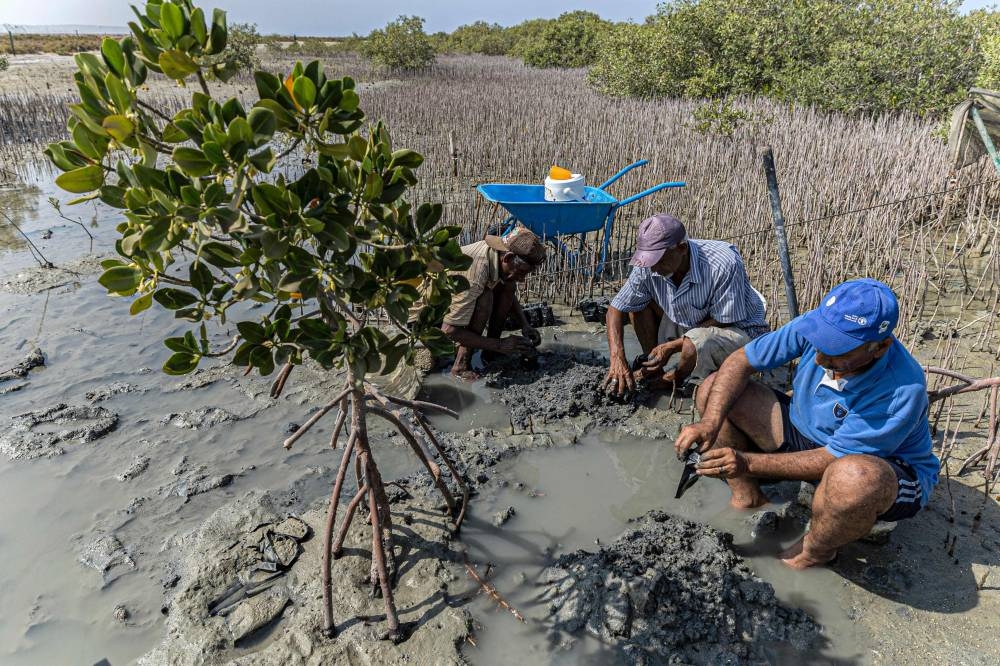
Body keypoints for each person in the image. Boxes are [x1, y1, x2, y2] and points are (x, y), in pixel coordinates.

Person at [674, 278, 939, 570]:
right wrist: (710, 423)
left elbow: (832, 458)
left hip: (877, 465)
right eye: (820, 343)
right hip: (806, 430)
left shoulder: (901, 389)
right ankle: (747, 496)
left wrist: (744, 462)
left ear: (880, 347)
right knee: (713, 390)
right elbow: (740, 361)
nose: (820, 358)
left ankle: (815, 552)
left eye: (838, 351)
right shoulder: (818, 324)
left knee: (854, 479)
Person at [603, 214, 768, 395]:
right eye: (648, 260)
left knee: (695, 341)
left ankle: (674, 379)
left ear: (681, 248)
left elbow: (724, 319)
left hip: (737, 329)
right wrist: (617, 358)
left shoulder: (723, 262)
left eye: (659, 260)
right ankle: (655, 367)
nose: (652, 267)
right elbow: (616, 308)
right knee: (638, 306)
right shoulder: (647, 266)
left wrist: (672, 346)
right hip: (689, 319)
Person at [434, 225, 547, 380]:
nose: (522, 279)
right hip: (429, 312)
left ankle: (490, 353)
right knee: (485, 300)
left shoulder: (496, 256)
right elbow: (449, 331)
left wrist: (525, 325)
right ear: (507, 258)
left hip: (454, 299)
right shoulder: (476, 272)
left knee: (508, 284)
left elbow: (509, 293)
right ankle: (460, 366)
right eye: (521, 272)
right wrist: (500, 344)